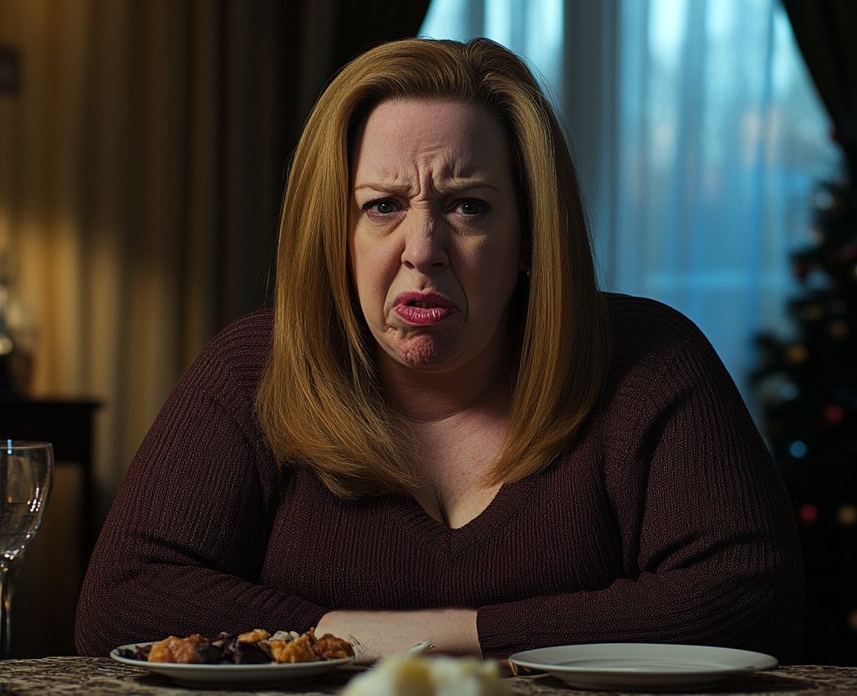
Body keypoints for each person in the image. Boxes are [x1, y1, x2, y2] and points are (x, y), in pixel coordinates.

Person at [74, 37, 804, 664]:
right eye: (382, 206)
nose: (423, 249)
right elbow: (122, 603)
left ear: (530, 235)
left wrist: (426, 638)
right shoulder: (256, 367)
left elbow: (749, 601)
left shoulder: (650, 359)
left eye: (468, 206)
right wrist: (375, 639)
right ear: (335, 236)